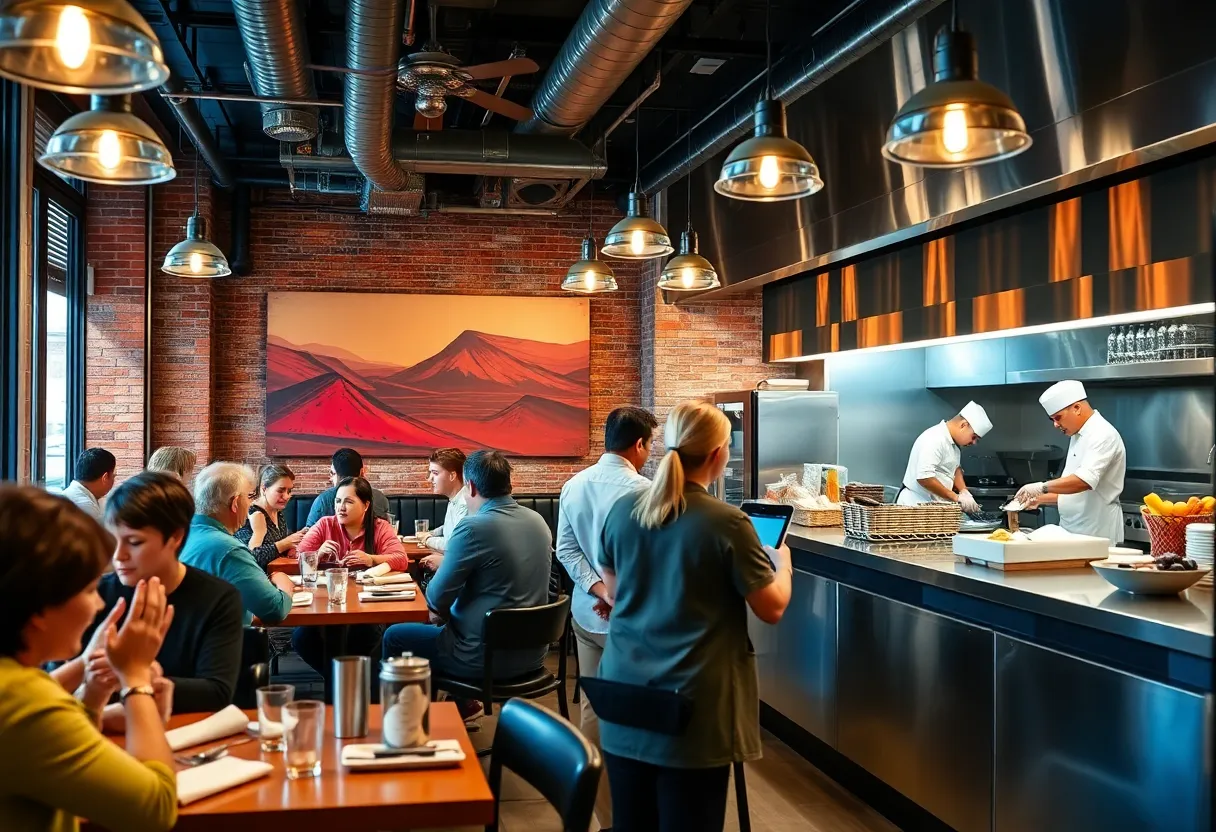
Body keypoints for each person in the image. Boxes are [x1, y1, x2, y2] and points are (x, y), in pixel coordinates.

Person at [596, 400, 793, 832]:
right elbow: (772, 606)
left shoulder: (622, 512)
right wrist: (784, 565)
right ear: (720, 453)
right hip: (691, 711)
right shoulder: (727, 522)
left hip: (625, 698)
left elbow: (614, 592)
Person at [0, 486, 178, 832]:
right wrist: (136, 679)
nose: (98, 604)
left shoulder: (18, 683)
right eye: (88, 590)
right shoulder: (23, 701)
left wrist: (91, 679)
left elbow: (44, 743)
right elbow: (155, 809)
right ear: (40, 607)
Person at [556, 405, 657, 832]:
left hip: (588, 614)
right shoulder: (646, 490)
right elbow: (650, 560)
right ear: (638, 444)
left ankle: (604, 816)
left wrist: (601, 590)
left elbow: (565, 550)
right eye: (650, 445)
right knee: (638, 716)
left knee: (593, 709)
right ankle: (638, 815)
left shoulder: (574, 485)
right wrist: (618, 595)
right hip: (634, 621)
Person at [70, 472, 242, 719]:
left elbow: (217, 691)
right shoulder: (95, 594)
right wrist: (136, 680)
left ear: (175, 537)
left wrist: (136, 677)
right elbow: (60, 678)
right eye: (112, 540)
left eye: (134, 542)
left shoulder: (218, 598)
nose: (118, 555)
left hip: (182, 734)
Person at [381, 451, 552, 687]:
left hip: (480, 658)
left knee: (395, 635)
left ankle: (404, 718)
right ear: (508, 484)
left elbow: (435, 598)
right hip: (533, 656)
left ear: (470, 486)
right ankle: (459, 707)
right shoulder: (538, 521)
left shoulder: (472, 527)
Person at [291, 477, 404, 676]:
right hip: (324, 605)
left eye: (349, 502)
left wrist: (370, 559)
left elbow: (400, 559)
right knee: (302, 637)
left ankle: (346, 683)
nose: (341, 507)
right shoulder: (325, 524)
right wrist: (317, 555)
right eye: (337, 501)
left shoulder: (379, 527)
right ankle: (341, 680)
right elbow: (298, 557)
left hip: (366, 606)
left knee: (366, 634)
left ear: (366, 505)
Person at [180, 463, 296, 626]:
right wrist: (285, 583)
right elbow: (275, 610)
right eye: (249, 497)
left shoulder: (179, 535)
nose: (251, 504)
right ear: (235, 503)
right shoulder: (229, 549)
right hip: (221, 646)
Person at [1015, 380, 1127, 542]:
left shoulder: (1102, 434)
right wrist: (1037, 499)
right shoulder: (1077, 435)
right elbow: (1077, 494)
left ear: (1076, 408)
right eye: (1052, 419)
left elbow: (1084, 482)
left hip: (1096, 532)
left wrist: (1041, 487)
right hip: (1071, 531)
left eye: (1058, 418)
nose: (1055, 425)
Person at [896, 401, 993, 513]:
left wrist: (964, 491)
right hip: (915, 507)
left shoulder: (953, 444)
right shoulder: (935, 439)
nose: (974, 442)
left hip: (932, 508)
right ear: (963, 425)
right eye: (974, 437)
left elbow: (955, 468)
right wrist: (955, 497)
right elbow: (924, 477)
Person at [236, 464, 309, 570]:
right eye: (281, 490)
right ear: (264, 488)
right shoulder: (251, 514)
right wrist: (285, 544)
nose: (287, 496)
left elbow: (279, 545)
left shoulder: (278, 512)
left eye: (289, 491)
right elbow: (250, 558)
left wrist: (296, 540)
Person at [416, 448, 469, 581]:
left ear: (452, 476)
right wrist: (432, 533)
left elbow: (453, 545)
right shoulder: (455, 499)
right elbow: (450, 527)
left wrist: (427, 540)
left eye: (435, 473)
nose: (429, 479)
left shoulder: (464, 503)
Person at [306, 448, 390, 525]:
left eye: (332, 473)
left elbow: (307, 534)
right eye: (338, 501)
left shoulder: (323, 500)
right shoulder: (380, 498)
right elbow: (388, 530)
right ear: (362, 472)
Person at [61, 447, 117, 522]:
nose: (114, 480)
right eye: (113, 476)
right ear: (105, 477)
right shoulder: (86, 508)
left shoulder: (68, 494)